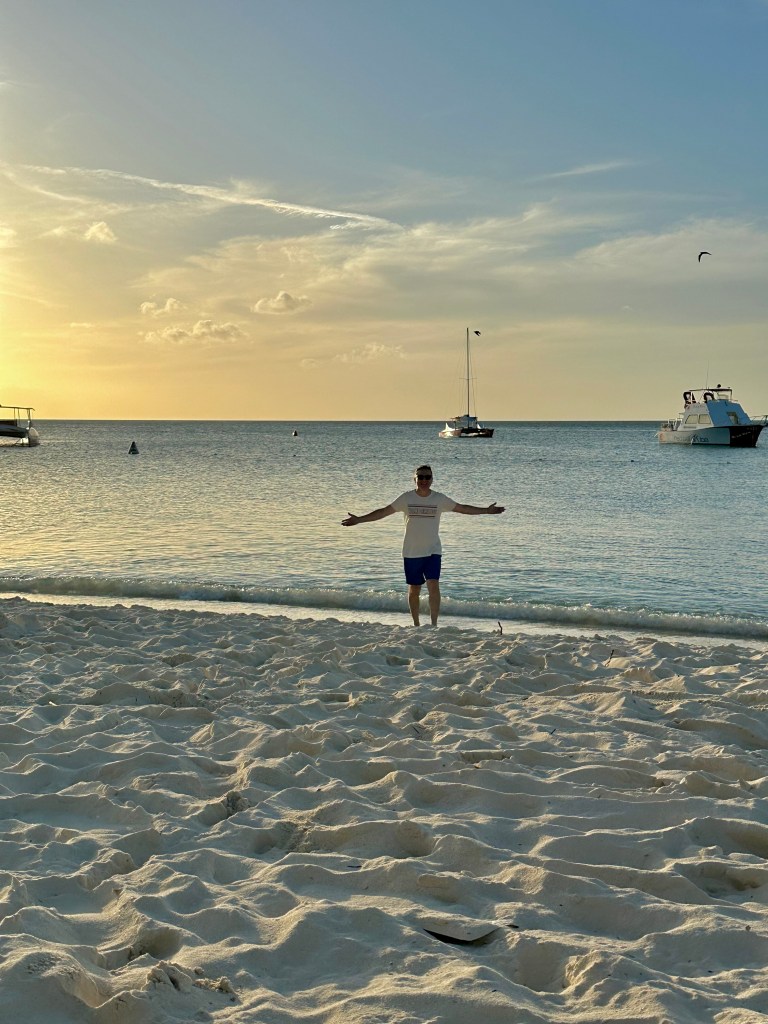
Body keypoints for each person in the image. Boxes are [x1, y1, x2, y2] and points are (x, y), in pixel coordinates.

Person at [341, 464, 505, 627]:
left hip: (433, 550)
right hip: (412, 552)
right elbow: (383, 512)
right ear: (415, 479)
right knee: (414, 589)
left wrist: (486, 511)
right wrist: (359, 519)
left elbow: (462, 508)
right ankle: (416, 624)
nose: (424, 480)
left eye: (427, 477)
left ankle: (434, 624)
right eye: (421, 477)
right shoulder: (406, 498)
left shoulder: (439, 499)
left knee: (433, 584)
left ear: (432, 479)